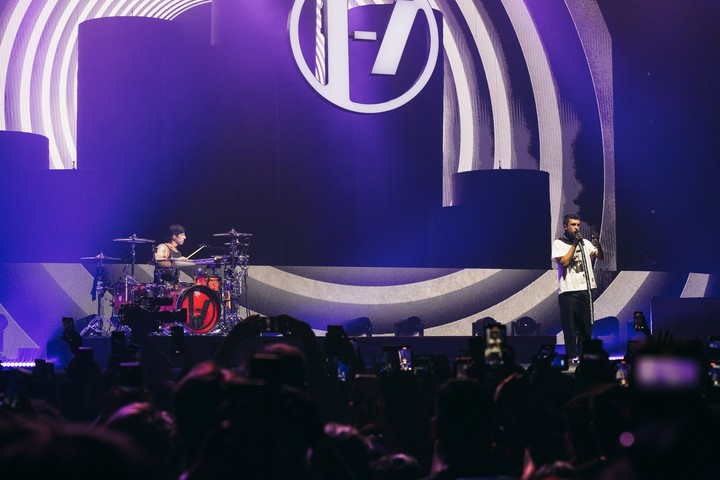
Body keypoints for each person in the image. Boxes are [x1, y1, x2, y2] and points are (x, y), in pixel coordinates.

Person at [552, 214, 604, 360]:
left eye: (578, 225)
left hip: (585, 290)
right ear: (565, 226)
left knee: (586, 326)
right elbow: (564, 262)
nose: (576, 228)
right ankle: (571, 357)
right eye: (573, 225)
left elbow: (599, 256)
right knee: (570, 327)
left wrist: (599, 247)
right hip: (568, 291)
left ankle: (583, 357)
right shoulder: (559, 243)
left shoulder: (585, 243)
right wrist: (574, 243)